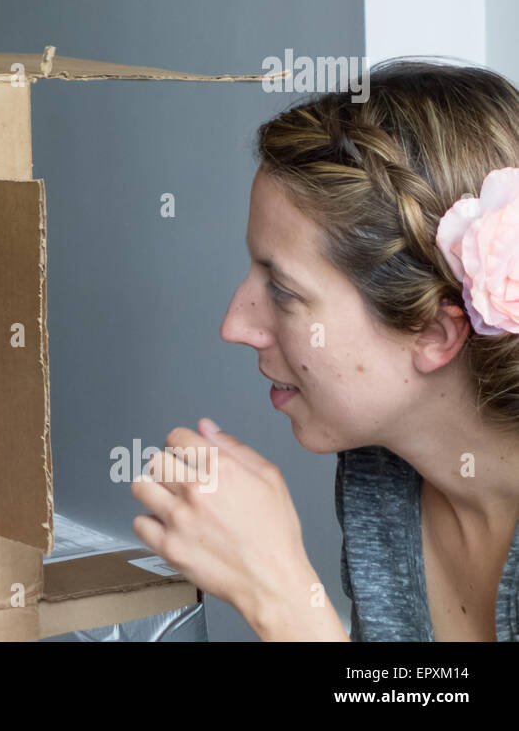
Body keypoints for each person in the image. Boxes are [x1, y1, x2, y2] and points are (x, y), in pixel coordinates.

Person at [132, 58, 519, 640]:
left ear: (434, 334)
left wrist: (280, 595)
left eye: (282, 291)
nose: (235, 325)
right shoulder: (383, 476)